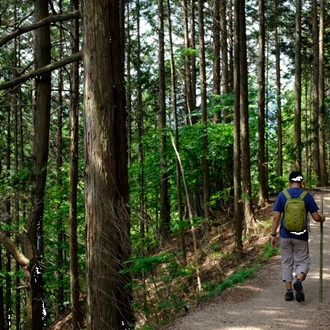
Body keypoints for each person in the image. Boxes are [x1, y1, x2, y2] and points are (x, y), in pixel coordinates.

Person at [271, 171, 326, 302]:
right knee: (304, 261)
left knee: (287, 262)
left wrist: (273, 234)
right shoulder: (306, 196)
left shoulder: (282, 195)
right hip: (301, 236)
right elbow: (316, 217)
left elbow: (276, 217)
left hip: (285, 235)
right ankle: (299, 280)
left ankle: (289, 292)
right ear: (302, 182)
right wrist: (322, 218)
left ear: (289, 182)